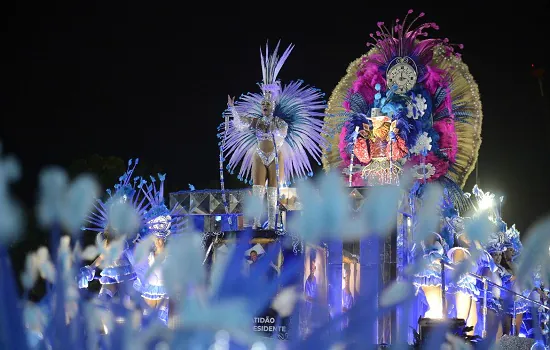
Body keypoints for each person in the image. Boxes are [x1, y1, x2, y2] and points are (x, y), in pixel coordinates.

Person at [221, 41, 327, 229]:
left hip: (276, 156)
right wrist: (233, 110)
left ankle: (271, 224)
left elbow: (282, 135)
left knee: (272, 191)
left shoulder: (280, 123)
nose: (264, 106)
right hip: (259, 156)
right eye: (263, 105)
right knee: (257, 189)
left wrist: (274, 131)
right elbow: (239, 125)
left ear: (273, 106)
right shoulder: (256, 121)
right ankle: (254, 222)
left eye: (268, 104)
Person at [78, 159, 146, 302]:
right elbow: (102, 257)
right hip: (110, 273)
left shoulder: (129, 236)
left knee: (125, 305)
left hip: (126, 274)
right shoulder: (106, 236)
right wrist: (90, 269)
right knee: (102, 301)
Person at [132, 173, 185, 326]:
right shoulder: (149, 252)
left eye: (160, 238)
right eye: (156, 237)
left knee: (163, 322)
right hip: (151, 288)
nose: (158, 240)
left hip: (165, 289)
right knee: (148, 323)